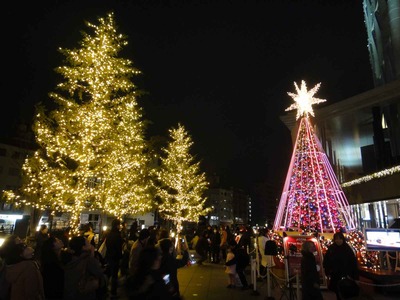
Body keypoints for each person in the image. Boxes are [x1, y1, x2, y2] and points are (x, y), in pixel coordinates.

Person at [63, 235, 106, 300]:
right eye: (87, 243)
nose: (90, 244)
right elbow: (99, 274)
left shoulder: (69, 259)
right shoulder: (88, 260)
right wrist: (92, 254)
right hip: (85, 295)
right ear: (84, 247)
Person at [323, 232, 359, 300]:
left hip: (346, 274)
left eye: (340, 239)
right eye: (336, 239)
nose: (338, 240)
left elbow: (353, 263)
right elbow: (326, 260)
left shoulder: (347, 249)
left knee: (346, 292)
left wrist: (355, 276)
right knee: (337, 292)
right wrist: (328, 271)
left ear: (343, 239)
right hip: (335, 274)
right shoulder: (332, 248)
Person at [40, 235, 66, 299]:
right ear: (52, 246)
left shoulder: (63, 258)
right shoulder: (50, 265)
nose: (60, 240)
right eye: (56, 240)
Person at [104, 218, 124, 297]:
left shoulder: (109, 234)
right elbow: (118, 247)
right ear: (117, 225)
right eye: (119, 225)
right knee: (114, 275)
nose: (120, 226)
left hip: (109, 256)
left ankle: (105, 289)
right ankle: (113, 292)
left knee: (109, 273)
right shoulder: (117, 235)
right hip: (115, 257)